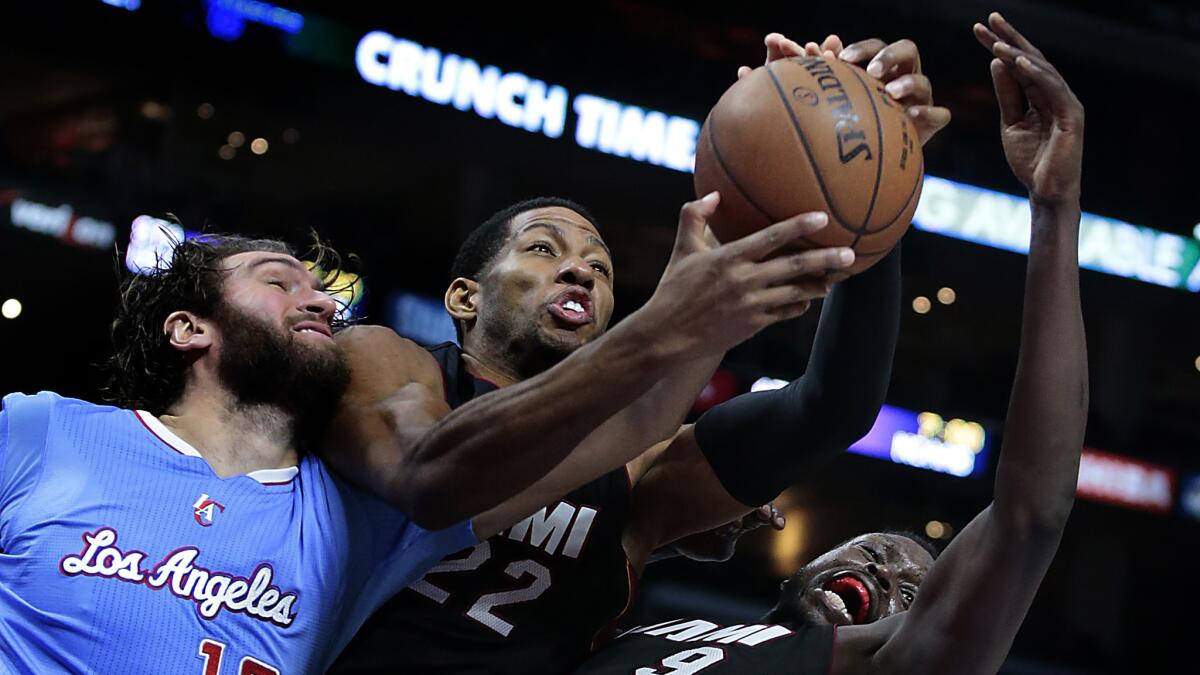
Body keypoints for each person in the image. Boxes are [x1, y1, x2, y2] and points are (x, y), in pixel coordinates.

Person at [328, 33, 950, 674]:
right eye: (544, 249)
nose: (579, 272)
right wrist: (665, 331)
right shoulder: (388, 360)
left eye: (599, 267)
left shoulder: (637, 469)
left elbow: (833, 408)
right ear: (463, 297)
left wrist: (874, 203)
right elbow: (428, 476)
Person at [0, 215, 813, 673]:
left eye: (322, 289)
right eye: (281, 281)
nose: (318, 301)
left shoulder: (359, 516)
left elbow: (627, 428)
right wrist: (670, 322)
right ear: (188, 328)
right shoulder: (41, 431)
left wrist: (706, 307)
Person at [575, 12, 1088, 674]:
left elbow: (1030, 514)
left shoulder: (882, 660)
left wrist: (1054, 207)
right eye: (868, 550)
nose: (882, 567)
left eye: (912, 592)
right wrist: (841, 141)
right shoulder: (653, 623)